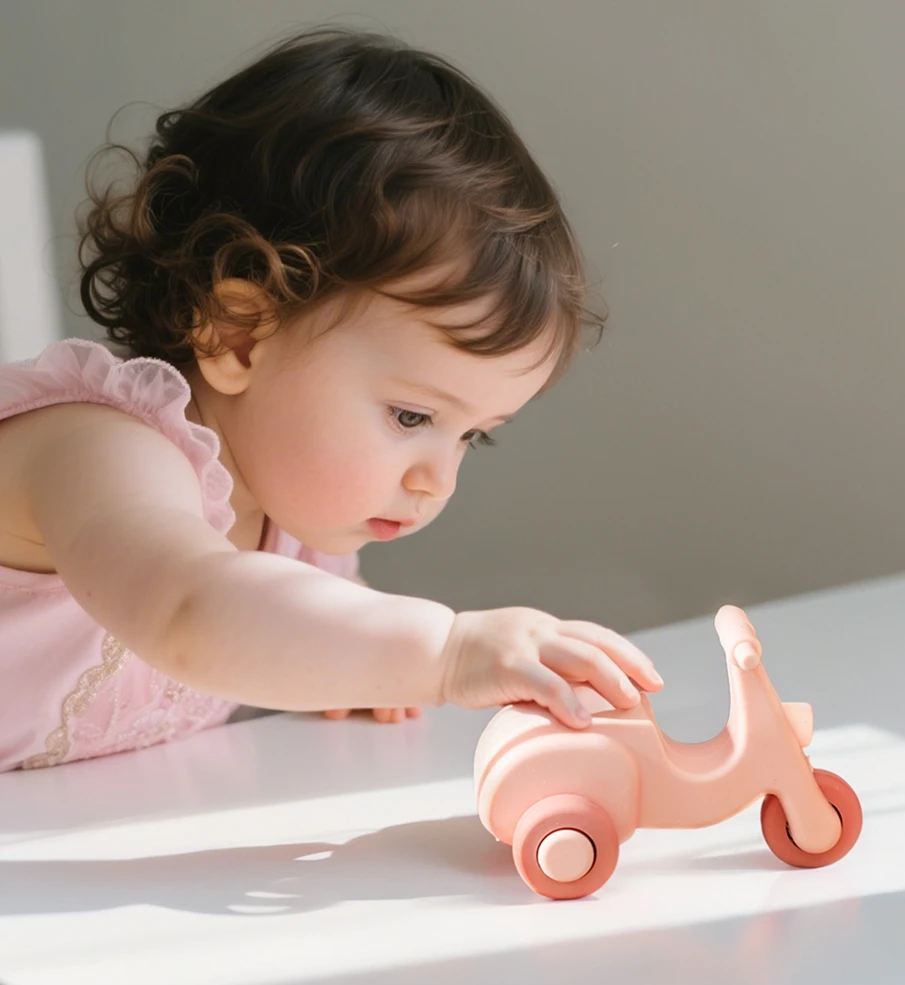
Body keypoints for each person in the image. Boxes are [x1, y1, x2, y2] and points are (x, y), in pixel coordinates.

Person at [0, 27, 661, 772]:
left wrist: (348, 666)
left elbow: (286, 626)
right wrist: (444, 652)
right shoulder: (99, 453)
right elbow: (190, 610)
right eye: (412, 416)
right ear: (239, 336)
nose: (437, 481)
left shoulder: (297, 521)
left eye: (472, 435)